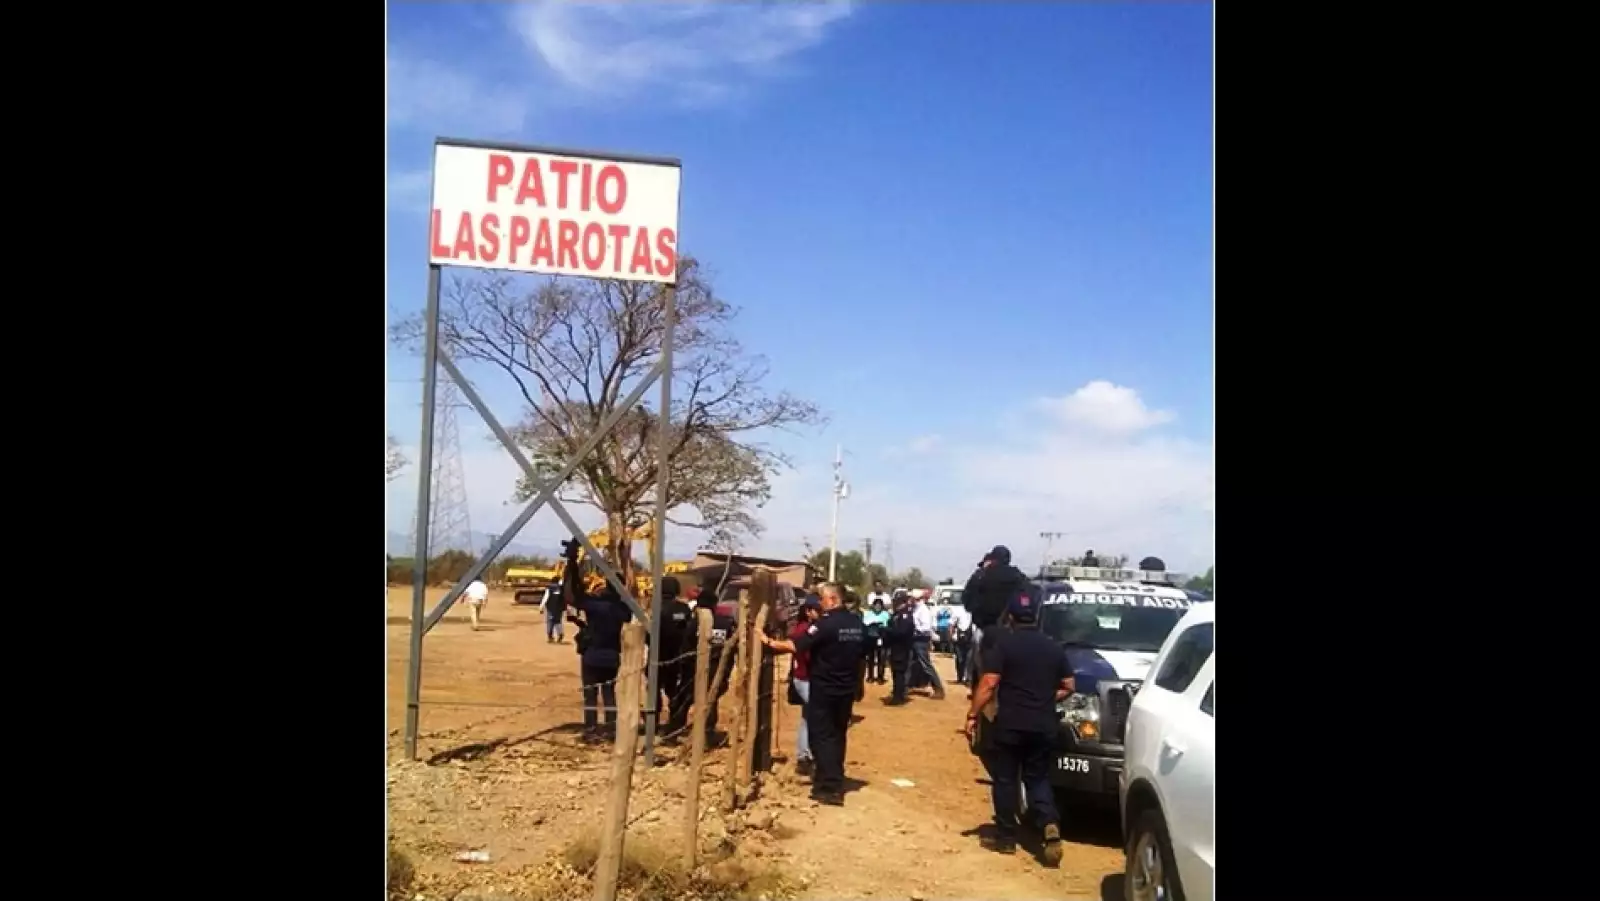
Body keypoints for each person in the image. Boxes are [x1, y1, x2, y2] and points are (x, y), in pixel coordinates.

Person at [963, 592, 1074, 863]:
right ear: (1035, 616)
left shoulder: (1004, 645)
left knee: (1005, 779)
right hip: (1043, 723)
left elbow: (989, 682)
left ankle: (1006, 838)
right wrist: (1045, 697)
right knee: (1037, 779)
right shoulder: (1054, 647)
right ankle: (1049, 822)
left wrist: (973, 714)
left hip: (1011, 724)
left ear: (1010, 617)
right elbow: (1069, 685)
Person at [760, 582, 865, 806]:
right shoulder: (856, 623)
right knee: (838, 735)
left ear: (833, 600)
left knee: (821, 737)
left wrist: (768, 641)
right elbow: (863, 653)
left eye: (822, 598)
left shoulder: (825, 624)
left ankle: (828, 787)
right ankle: (834, 779)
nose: (820, 602)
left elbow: (796, 645)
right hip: (846, 689)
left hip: (825, 688)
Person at [560, 552, 633, 744]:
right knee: (609, 694)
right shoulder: (623, 609)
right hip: (612, 656)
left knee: (590, 696)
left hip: (592, 655)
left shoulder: (596, 604)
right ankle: (611, 730)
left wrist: (572, 565)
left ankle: (591, 730)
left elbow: (574, 595)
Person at [961, 545, 1031, 693]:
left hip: (986, 630)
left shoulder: (982, 575)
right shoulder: (1019, 577)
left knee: (981, 672)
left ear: (993, 559)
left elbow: (967, 601)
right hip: (1013, 630)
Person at [655, 577, 696, 741]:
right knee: (674, 691)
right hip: (678, 656)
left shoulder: (657, 608)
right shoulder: (684, 609)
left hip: (658, 656)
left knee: (654, 691)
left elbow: (650, 634)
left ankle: (653, 722)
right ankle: (675, 723)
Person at [786, 597, 823, 775]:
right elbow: (805, 655)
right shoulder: (804, 630)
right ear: (808, 611)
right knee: (816, 717)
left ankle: (804, 755)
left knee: (807, 718)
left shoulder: (809, 628)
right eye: (817, 610)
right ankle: (808, 755)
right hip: (804, 678)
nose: (821, 614)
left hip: (806, 678)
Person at [908, 589, 946, 700]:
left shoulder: (923, 610)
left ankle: (938, 689)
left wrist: (914, 627)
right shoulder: (916, 609)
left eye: (911, 598)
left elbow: (925, 627)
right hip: (915, 639)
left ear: (916, 599)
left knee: (925, 665)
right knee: (912, 663)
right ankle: (908, 685)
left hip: (921, 640)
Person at [883, 593, 916, 704]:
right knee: (896, 672)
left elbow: (902, 632)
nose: (894, 604)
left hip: (902, 648)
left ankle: (899, 697)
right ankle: (897, 693)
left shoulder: (905, 615)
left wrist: (888, 631)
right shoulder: (896, 615)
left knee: (899, 672)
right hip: (894, 647)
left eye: (897, 601)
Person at [861, 598, 890, 683]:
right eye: (876, 605)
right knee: (871, 658)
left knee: (881, 658)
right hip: (871, 638)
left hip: (882, 638)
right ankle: (870, 676)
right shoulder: (868, 614)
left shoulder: (886, 614)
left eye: (879, 605)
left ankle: (880, 677)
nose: (877, 607)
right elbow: (865, 624)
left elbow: (888, 625)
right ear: (873, 606)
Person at [950, 602, 974, 685]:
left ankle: (968, 678)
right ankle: (960, 677)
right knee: (960, 659)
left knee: (969, 659)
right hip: (959, 639)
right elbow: (952, 624)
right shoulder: (958, 610)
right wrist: (951, 636)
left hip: (971, 638)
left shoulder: (974, 611)